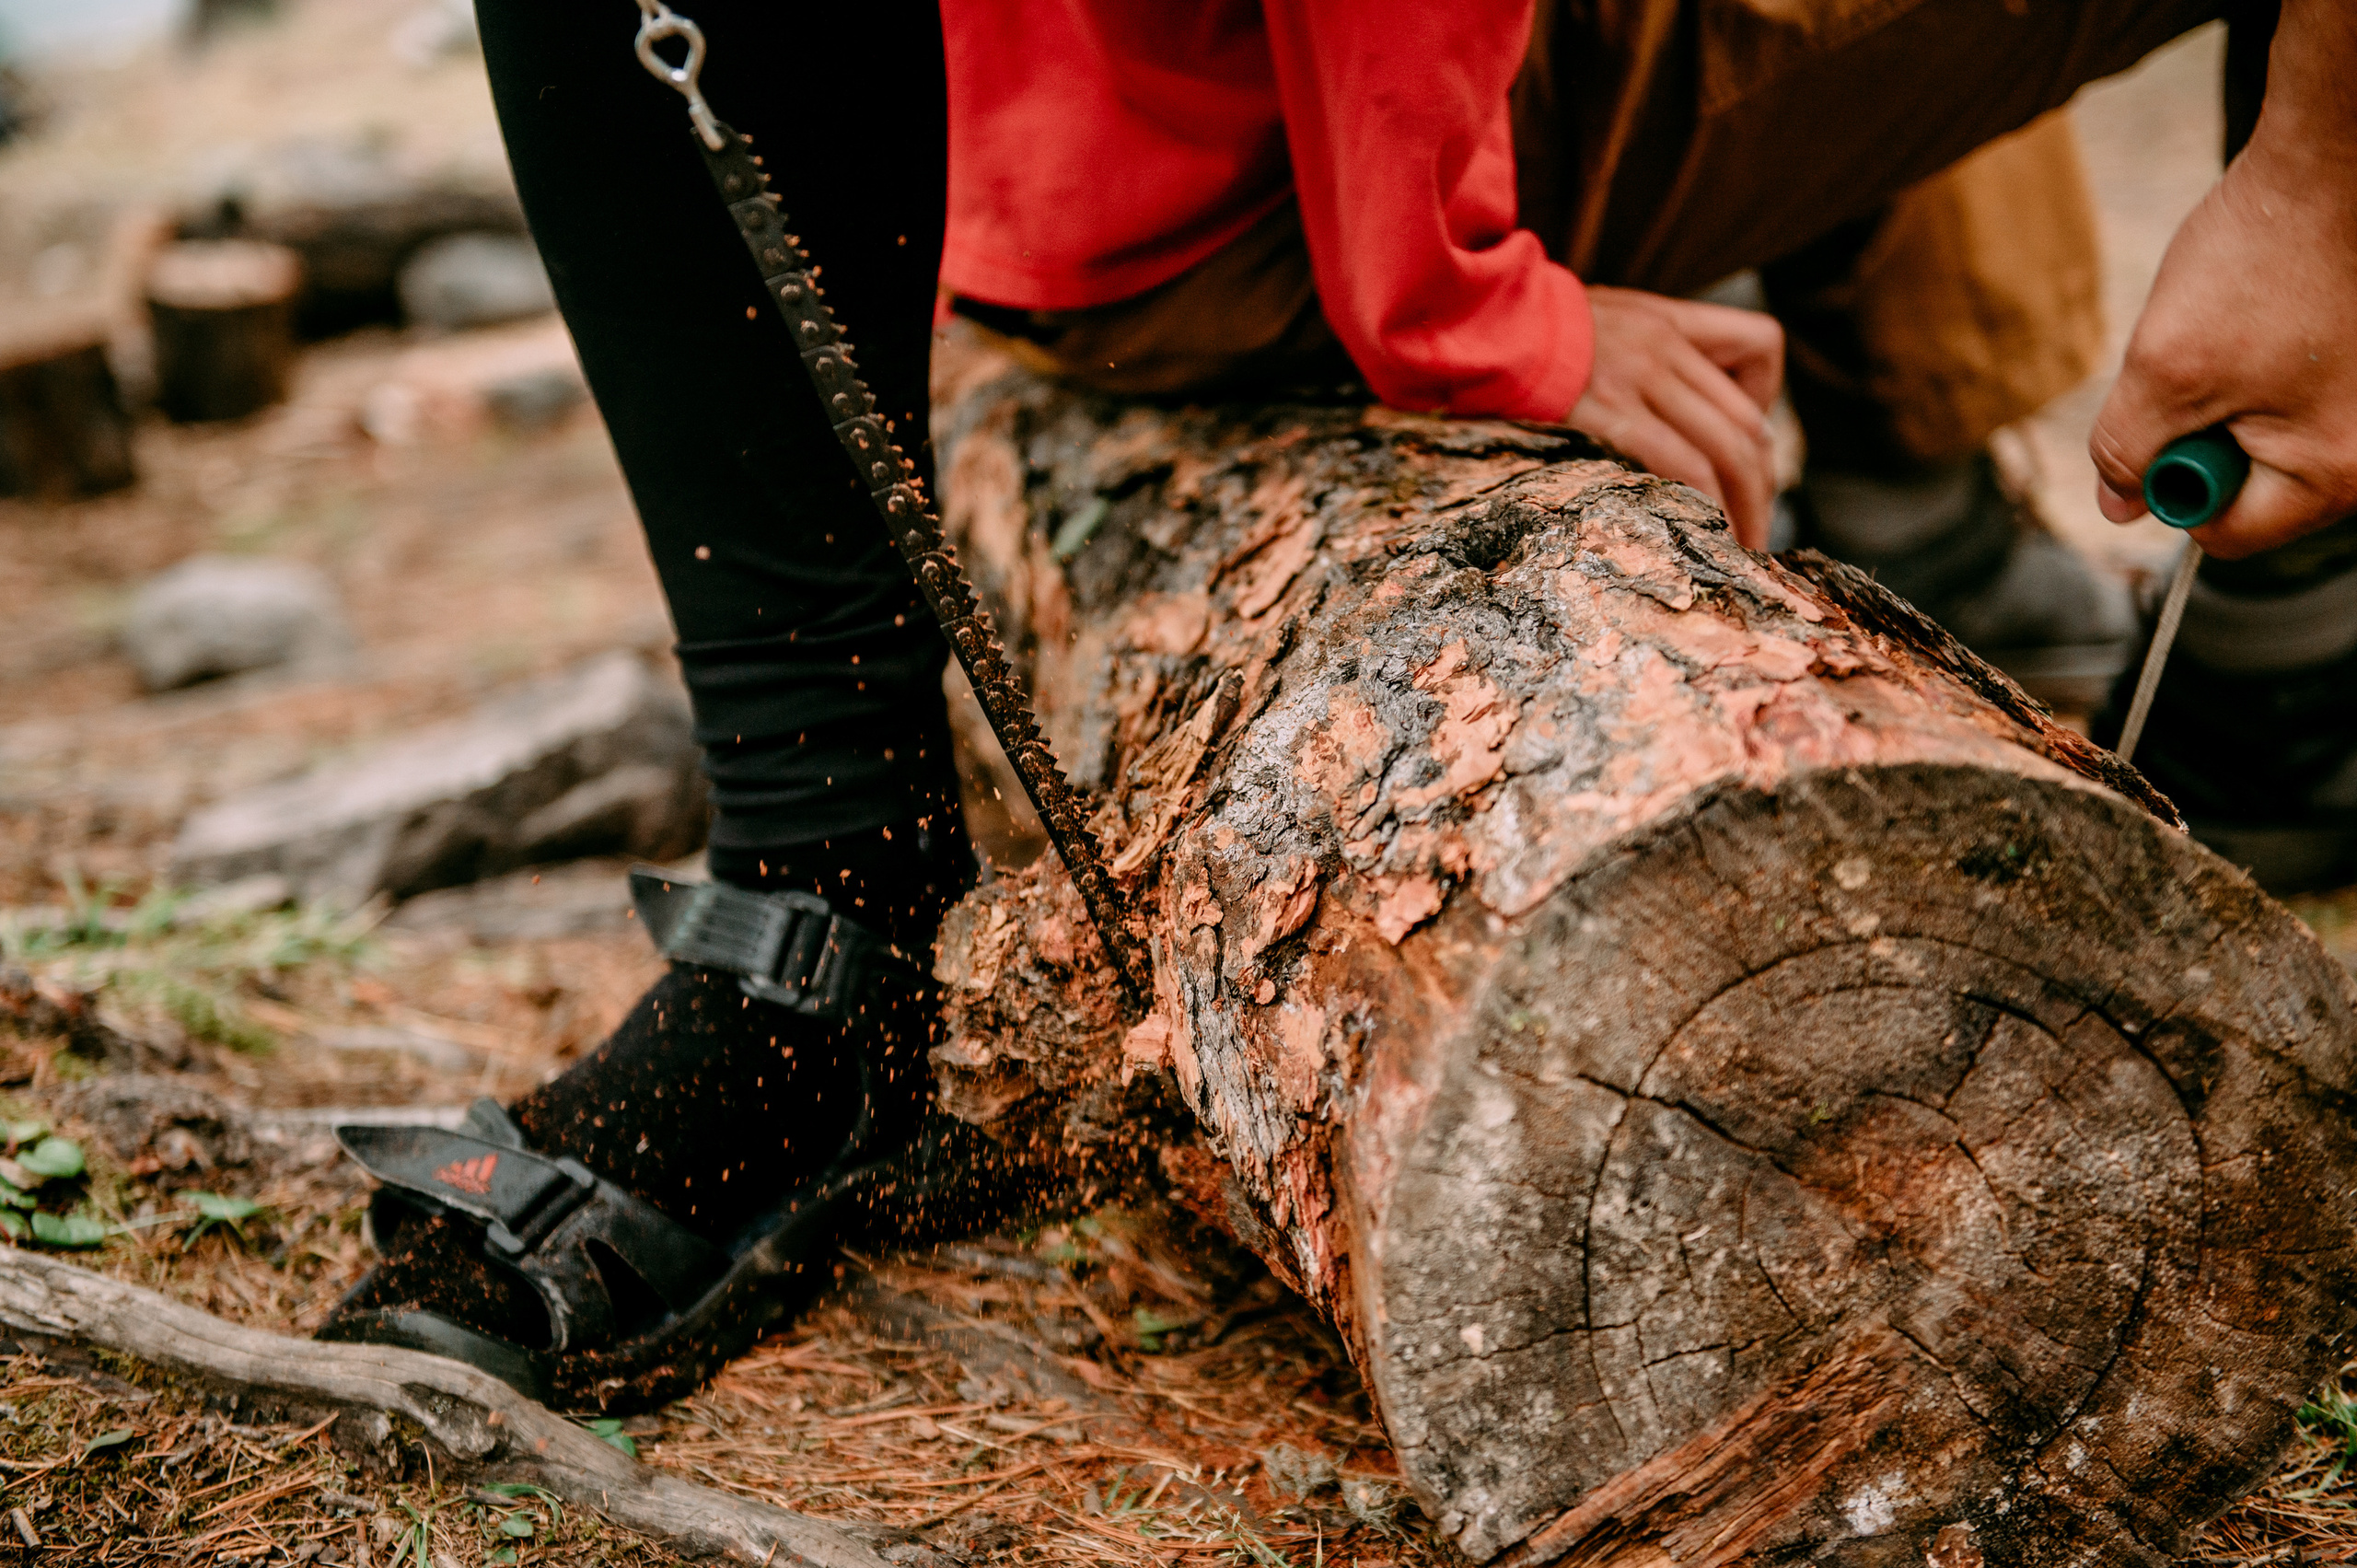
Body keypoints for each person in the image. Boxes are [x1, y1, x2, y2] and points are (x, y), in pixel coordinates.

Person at [320, 0, 2356, 1398]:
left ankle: (1930, 493)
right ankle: (826, 908)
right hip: (1278, 182)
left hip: (1118, 151)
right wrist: (1458, 301)